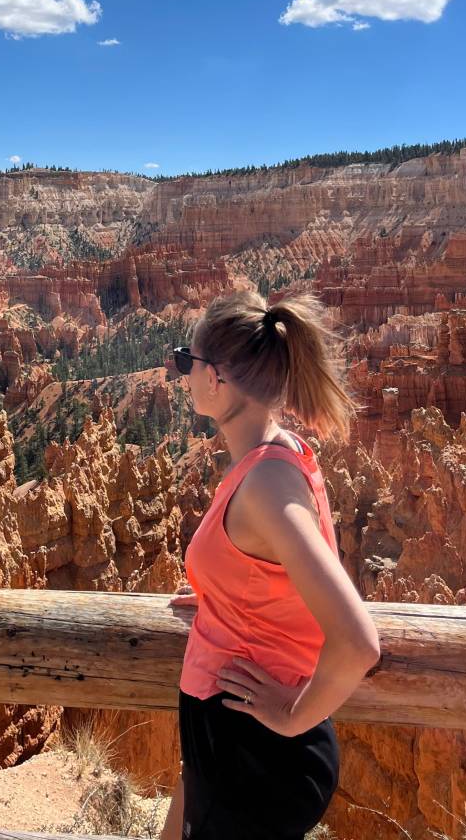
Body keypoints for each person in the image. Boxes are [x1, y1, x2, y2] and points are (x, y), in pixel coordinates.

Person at [159, 290, 380, 840]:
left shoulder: (265, 485)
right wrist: (219, 595)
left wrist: (292, 716)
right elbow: (270, 574)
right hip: (237, 747)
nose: (182, 373)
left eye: (187, 361)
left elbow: (358, 642)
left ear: (218, 378)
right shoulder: (280, 455)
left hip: (254, 756)